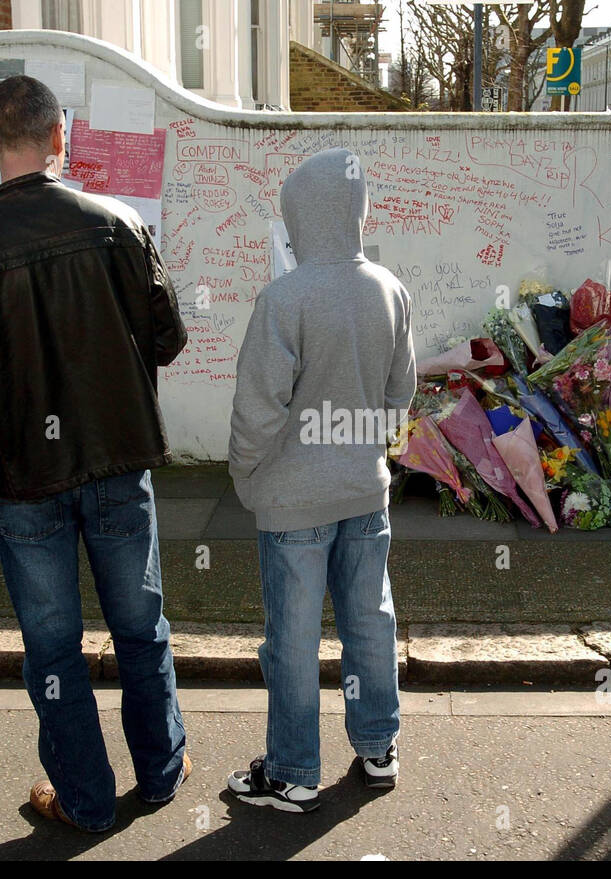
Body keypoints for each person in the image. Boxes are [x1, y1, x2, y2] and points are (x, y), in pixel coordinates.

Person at [0, 76, 189, 832]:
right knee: (141, 627)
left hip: (23, 485)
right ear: (59, 139)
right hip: (116, 462)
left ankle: (84, 799)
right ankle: (163, 770)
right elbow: (166, 336)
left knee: (52, 648)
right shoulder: (121, 224)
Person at [226, 147, 416, 812]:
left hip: (292, 501)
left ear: (299, 217)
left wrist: (246, 477)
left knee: (293, 640)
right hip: (366, 491)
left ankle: (292, 770)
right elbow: (401, 397)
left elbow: (257, 409)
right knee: (370, 620)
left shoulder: (284, 299)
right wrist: (371, 453)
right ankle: (378, 746)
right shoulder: (391, 290)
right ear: (357, 213)